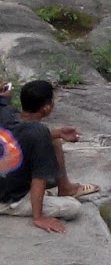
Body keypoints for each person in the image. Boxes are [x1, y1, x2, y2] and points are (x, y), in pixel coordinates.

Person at [0, 80, 96, 233]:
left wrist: (58, 133)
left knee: (55, 140)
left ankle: (65, 187)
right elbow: (39, 179)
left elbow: (19, 138)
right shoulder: (39, 133)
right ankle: (18, 205)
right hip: (8, 200)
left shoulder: (6, 111)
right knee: (73, 207)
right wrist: (38, 217)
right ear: (46, 108)